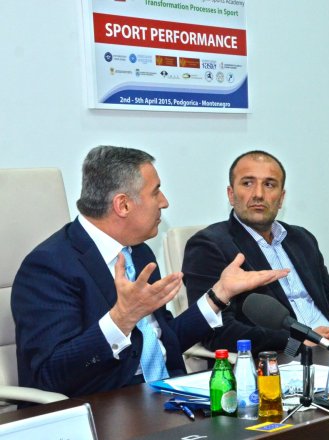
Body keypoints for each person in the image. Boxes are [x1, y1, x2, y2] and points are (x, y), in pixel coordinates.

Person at [11, 146, 287, 398]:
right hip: (106, 408)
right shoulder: (49, 266)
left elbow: (165, 340)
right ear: (123, 205)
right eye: (156, 192)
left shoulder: (139, 252)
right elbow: (50, 376)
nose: (164, 202)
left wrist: (219, 295)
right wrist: (120, 320)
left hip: (168, 396)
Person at [182, 150, 329, 354]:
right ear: (231, 195)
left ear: (281, 198)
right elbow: (216, 331)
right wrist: (297, 342)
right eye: (247, 183)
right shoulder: (209, 245)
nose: (258, 194)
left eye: (269, 185)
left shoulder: (302, 239)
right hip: (282, 359)